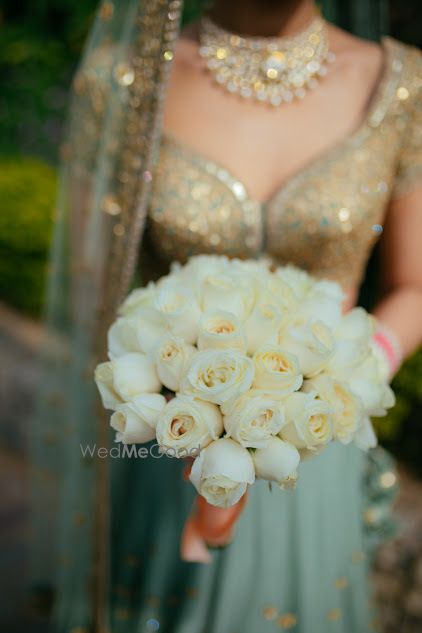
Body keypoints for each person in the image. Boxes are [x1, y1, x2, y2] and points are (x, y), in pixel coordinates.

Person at [31, 1, 422, 632]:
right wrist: (174, 394)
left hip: (313, 438)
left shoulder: (403, 85)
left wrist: (343, 372)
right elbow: (94, 288)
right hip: (168, 440)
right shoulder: (123, 77)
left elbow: (415, 286)